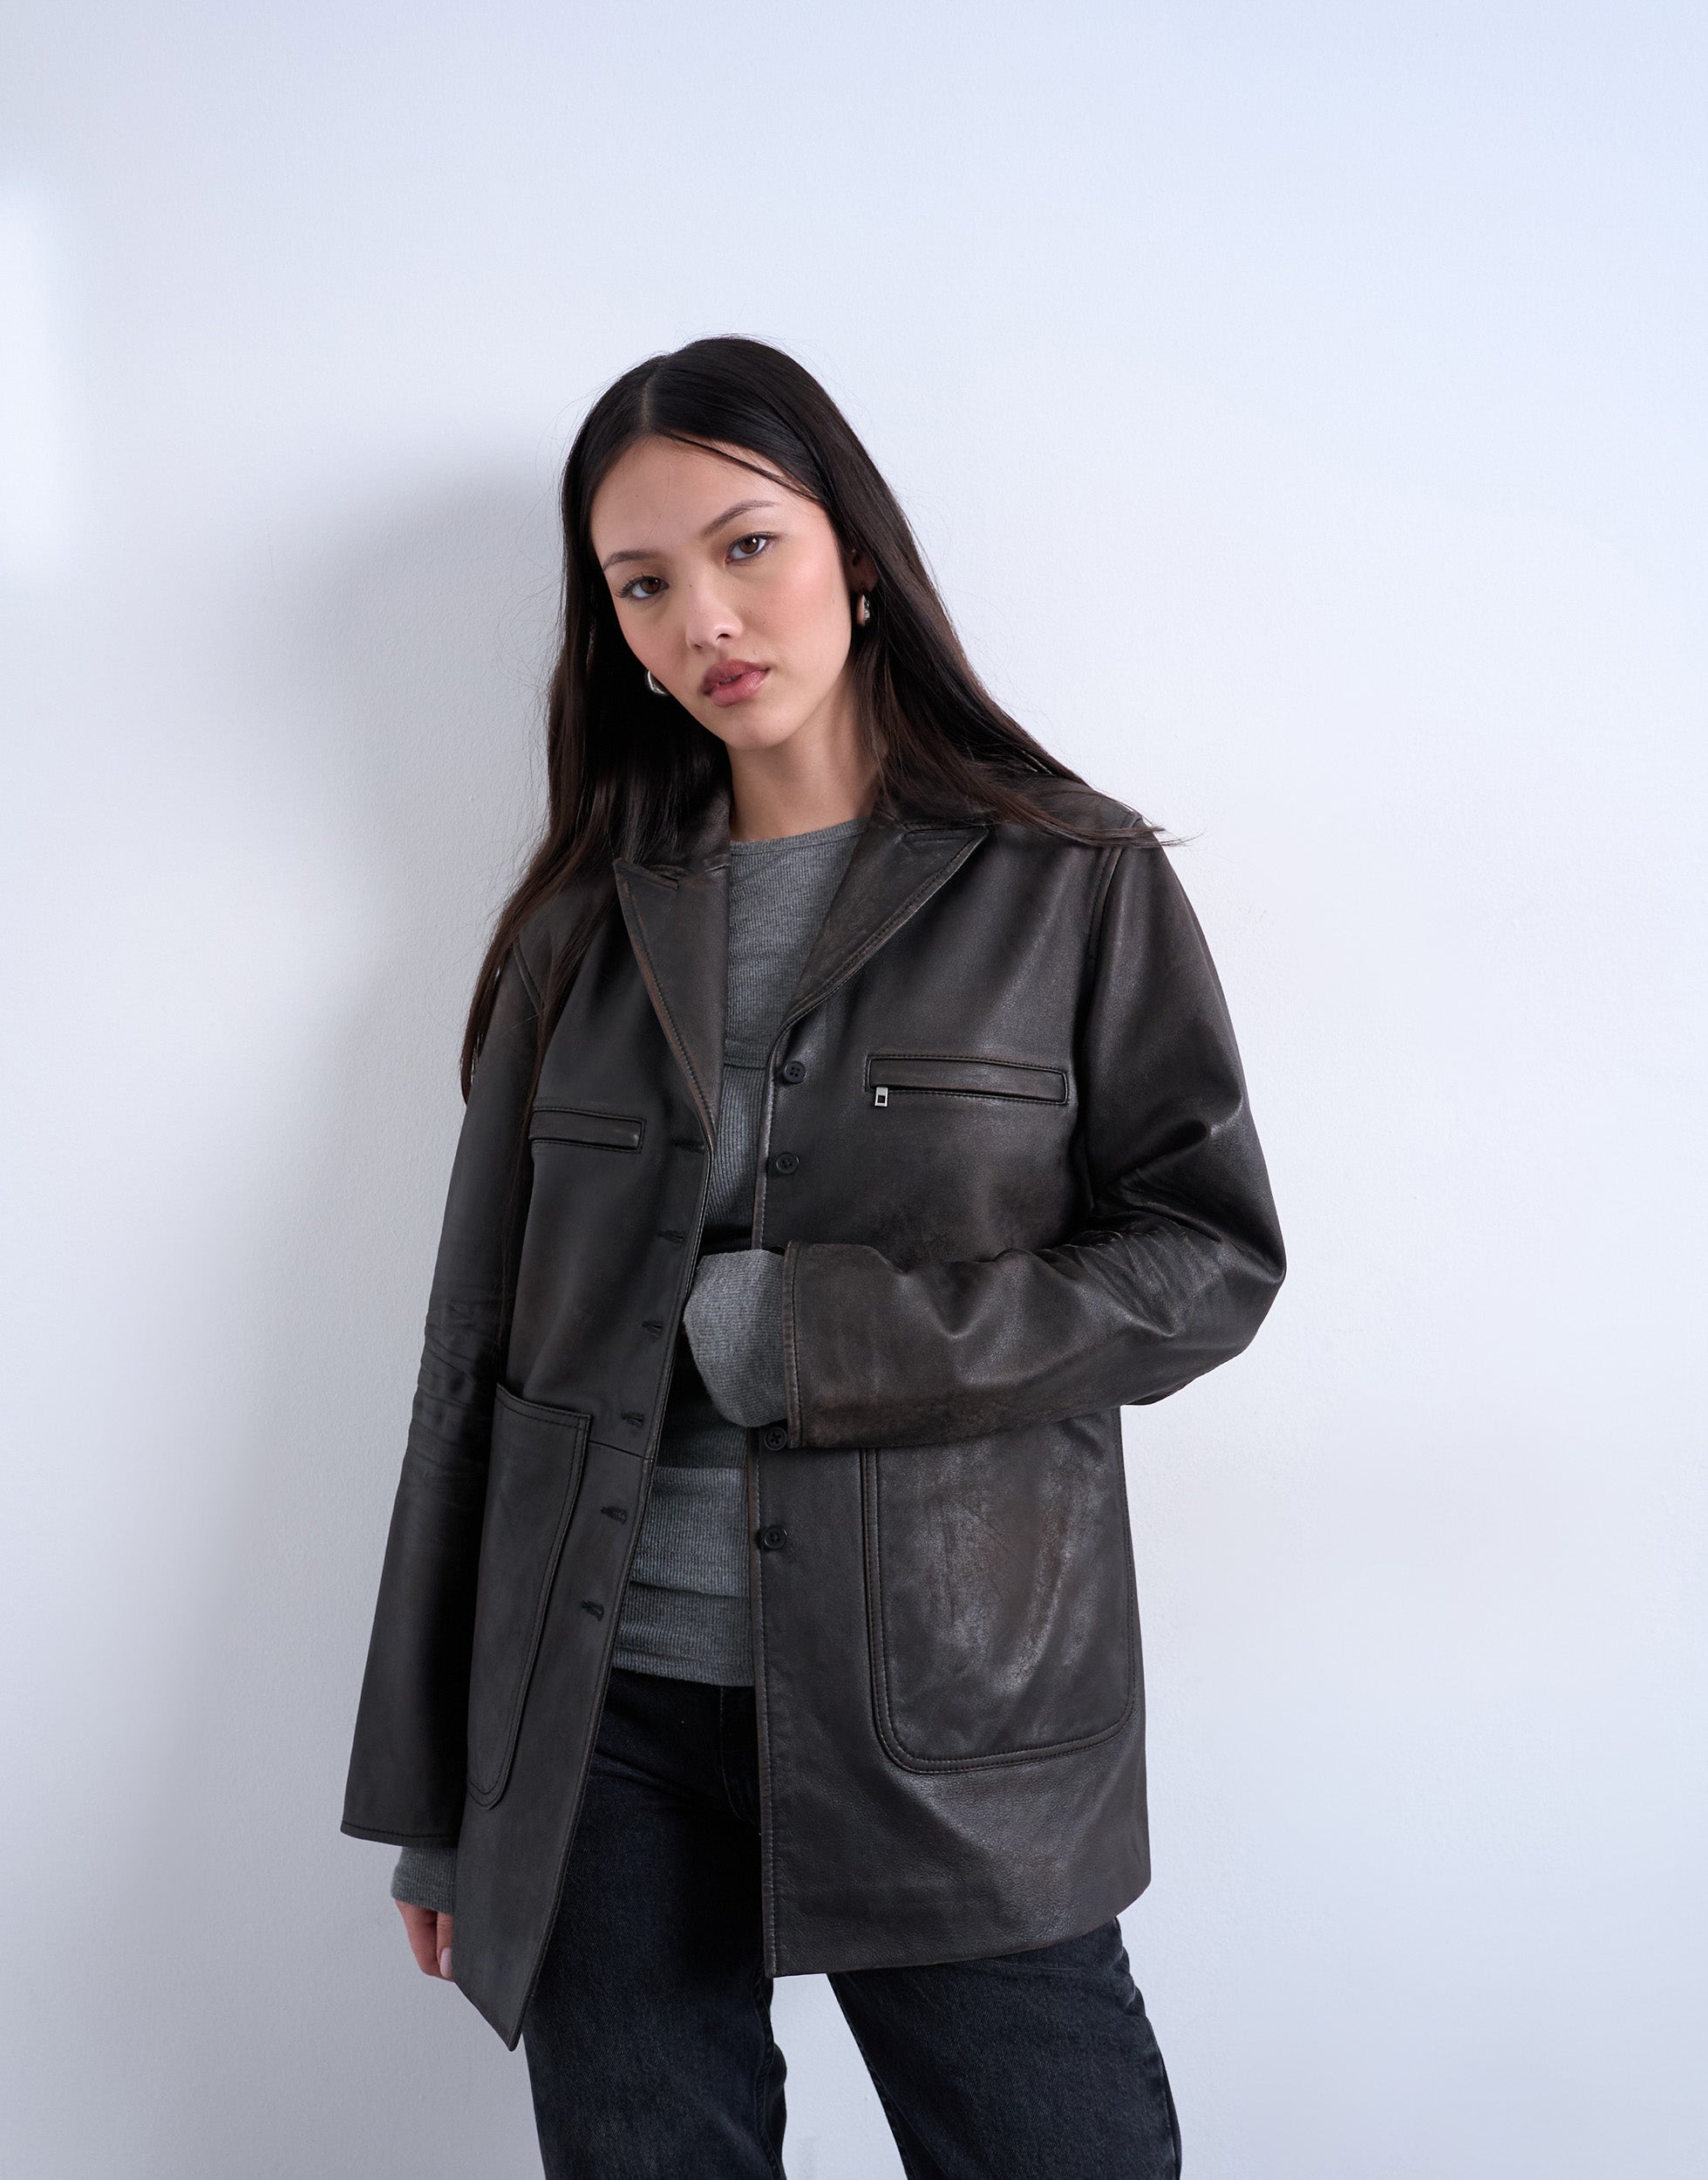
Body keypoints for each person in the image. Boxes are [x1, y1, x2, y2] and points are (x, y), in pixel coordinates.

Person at [342, 336, 1285, 2178]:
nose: (704, 615)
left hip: (950, 1724)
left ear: (855, 551)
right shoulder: (575, 937)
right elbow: (472, 1361)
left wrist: (816, 1334)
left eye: (745, 545)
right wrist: (442, 1793)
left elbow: (1205, 1259)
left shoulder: (1071, 884)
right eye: (642, 584)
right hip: (598, 1725)